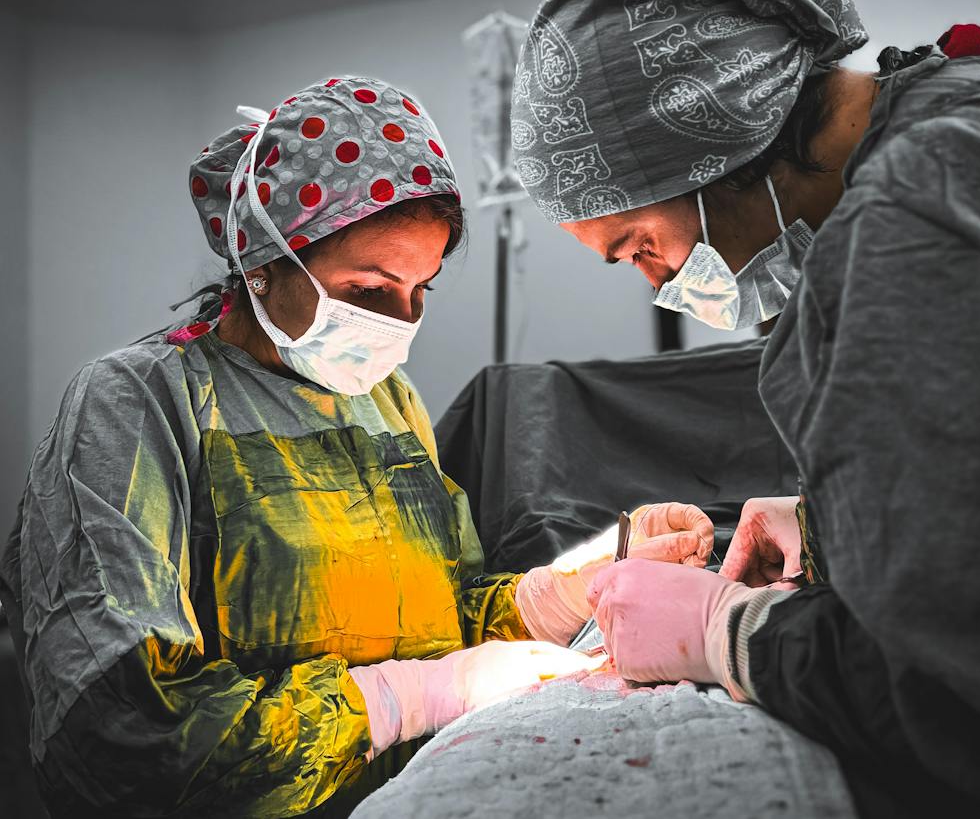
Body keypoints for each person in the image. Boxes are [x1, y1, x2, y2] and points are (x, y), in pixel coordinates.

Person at [0, 74, 714, 819]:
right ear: (261, 262)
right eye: (370, 290)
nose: (401, 321)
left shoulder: (387, 402)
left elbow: (441, 623)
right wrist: (405, 699)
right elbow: (118, 732)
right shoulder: (136, 403)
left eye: (421, 290)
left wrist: (570, 592)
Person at [509, 0, 980, 817]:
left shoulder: (909, 229)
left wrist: (732, 635)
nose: (659, 283)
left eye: (641, 244)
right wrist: (841, 522)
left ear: (714, 142)